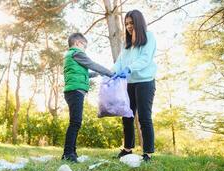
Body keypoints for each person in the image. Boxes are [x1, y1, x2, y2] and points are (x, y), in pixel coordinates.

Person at [62, 33, 114, 162]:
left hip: (72, 90)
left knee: (75, 122)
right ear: (78, 43)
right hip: (75, 91)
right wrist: (109, 73)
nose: (85, 49)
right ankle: (68, 153)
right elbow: (91, 63)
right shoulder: (77, 53)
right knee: (75, 122)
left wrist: (94, 74)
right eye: (84, 46)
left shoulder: (71, 56)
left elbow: (80, 71)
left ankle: (71, 152)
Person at [114, 10, 157, 162]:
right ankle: (127, 149)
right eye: (126, 24)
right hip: (129, 83)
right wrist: (112, 72)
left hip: (145, 81)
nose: (129, 26)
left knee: (144, 117)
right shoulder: (126, 44)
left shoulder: (148, 36)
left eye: (131, 23)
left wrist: (129, 69)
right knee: (127, 116)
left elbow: (145, 59)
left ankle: (148, 153)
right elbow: (119, 62)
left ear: (138, 22)